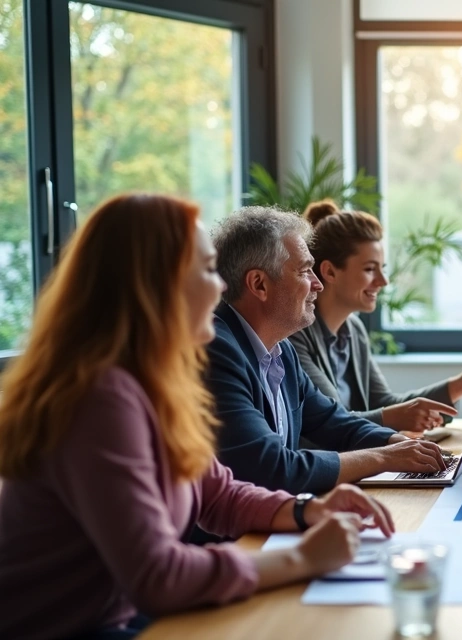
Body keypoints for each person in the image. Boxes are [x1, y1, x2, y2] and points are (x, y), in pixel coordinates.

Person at [0, 194, 393, 640]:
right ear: (158, 284)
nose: (222, 288)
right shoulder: (101, 395)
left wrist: (307, 511)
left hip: (113, 617)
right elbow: (159, 577)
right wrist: (302, 558)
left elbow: (217, 493)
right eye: (207, 270)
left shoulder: (153, 377)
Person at [207, 206, 448, 495]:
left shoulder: (280, 349)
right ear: (259, 284)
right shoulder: (217, 350)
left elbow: (332, 421)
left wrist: (399, 444)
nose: (318, 284)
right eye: (305, 271)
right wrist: (385, 458)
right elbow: (271, 468)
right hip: (232, 536)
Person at [290, 200, 462, 434]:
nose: (383, 281)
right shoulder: (296, 336)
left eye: (382, 269)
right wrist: (393, 419)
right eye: (369, 269)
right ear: (330, 271)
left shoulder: (353, 330)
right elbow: (331, 423)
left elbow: (382, 403)